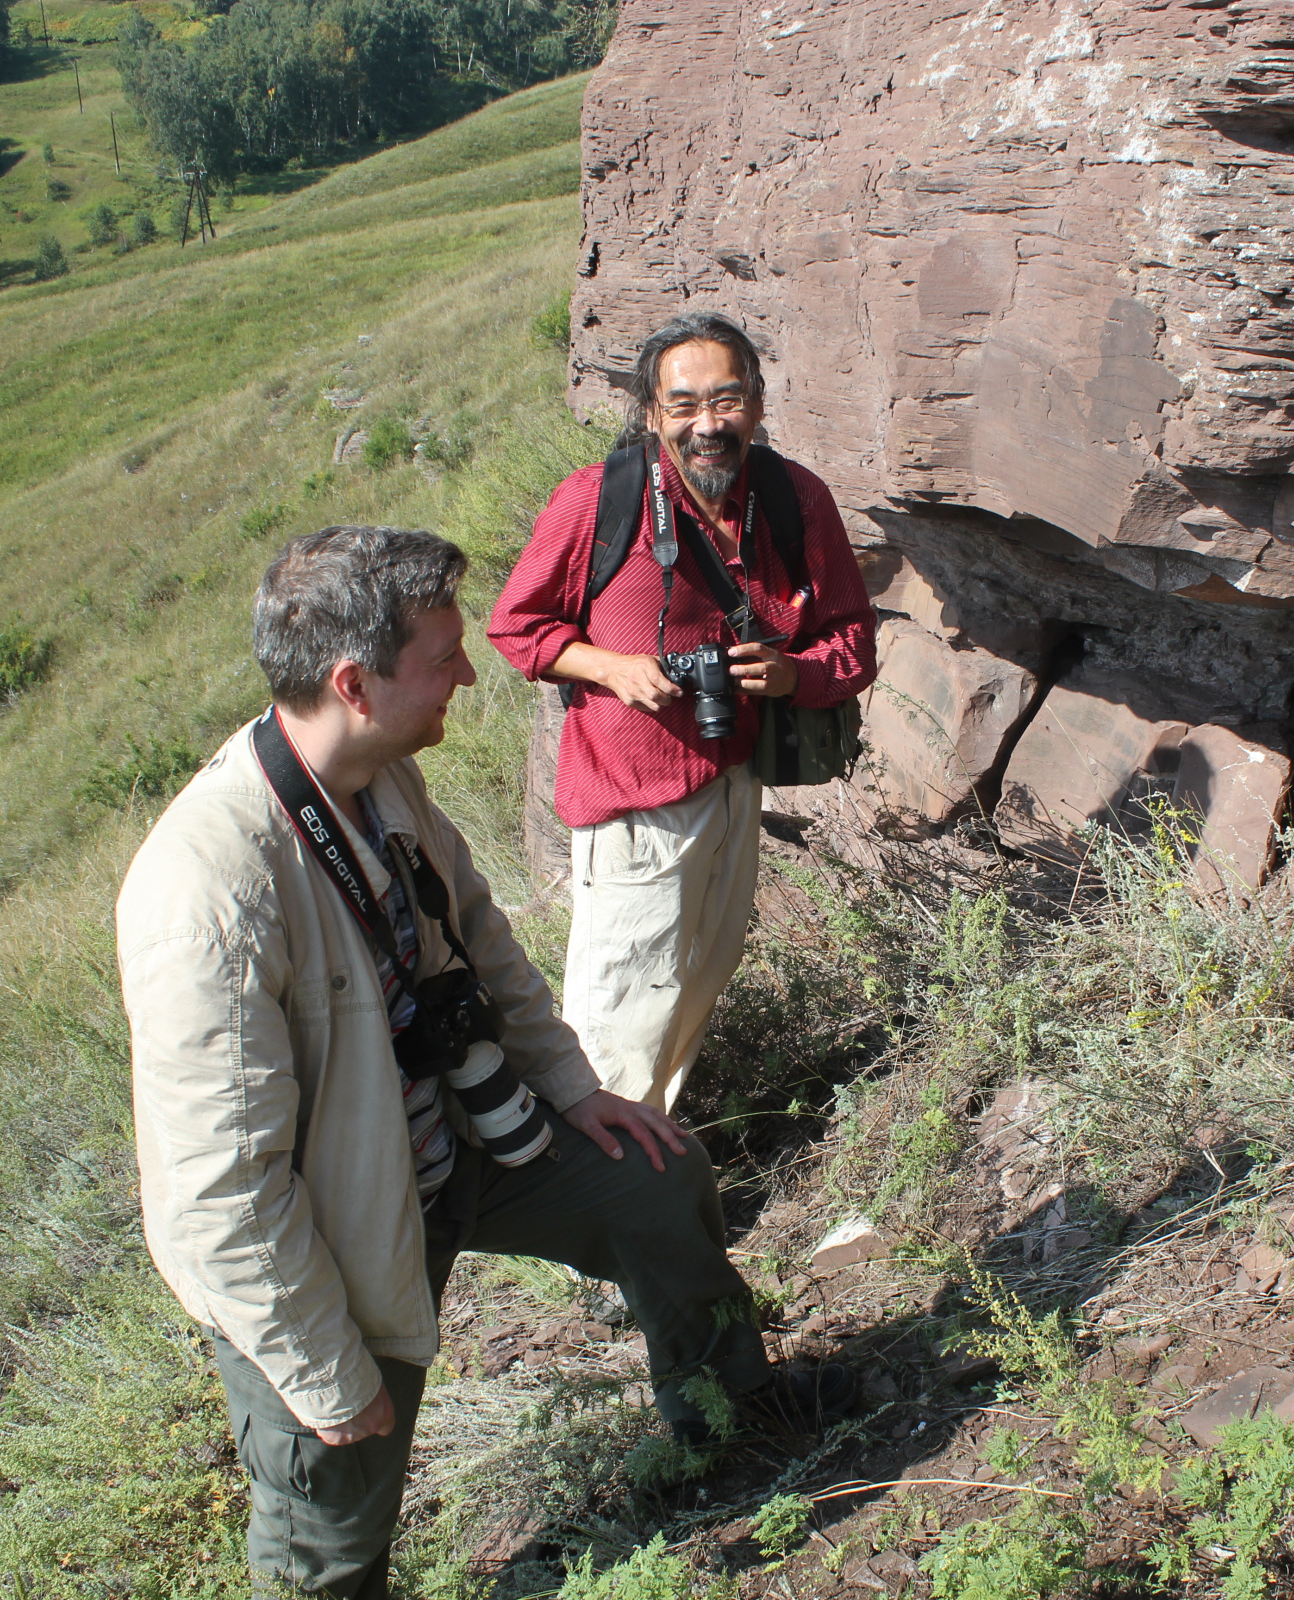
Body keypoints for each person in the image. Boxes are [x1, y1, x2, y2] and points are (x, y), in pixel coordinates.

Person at [117, 525, 845, 1600]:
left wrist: (575, 1088)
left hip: (463, 1135)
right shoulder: (209, 893)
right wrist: (322, 1370)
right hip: (330, 1236)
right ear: (354, 682)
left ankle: (734, 1426)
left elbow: (479, 940)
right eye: (443, 656)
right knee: (332, 1510)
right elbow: (220, 1190)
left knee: (656, 1176)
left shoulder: (376, 774)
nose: (469, 669)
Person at [488, 312, 877, 1111]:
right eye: (685, 404)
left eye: (727, 401)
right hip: (631, 803)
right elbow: (516, 626)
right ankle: (599, 1207)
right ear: (652, 412)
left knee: (699, 980)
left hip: (737, 779)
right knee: (620, 1016)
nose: (708, 425)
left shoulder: (793, 498)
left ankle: (652, 1157)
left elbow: (853, 642)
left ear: (759, 402)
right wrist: (610, 668)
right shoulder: (600, 501)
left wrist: (792, 674)